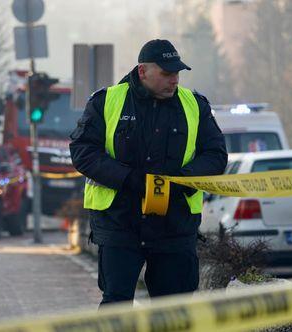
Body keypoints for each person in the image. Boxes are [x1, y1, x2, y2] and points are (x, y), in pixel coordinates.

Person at [70, 39, 228, 305]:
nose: (174, 79)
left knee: (174, 312)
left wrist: (181, 182)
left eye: (177, 73)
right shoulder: (106, 101)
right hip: (120, 222)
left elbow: (216, 155)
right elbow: (83, 151)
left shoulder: (194, 105)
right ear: (143, 71)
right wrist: (130, 180)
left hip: (175, 225)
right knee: (116, 306)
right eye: (167, 73)